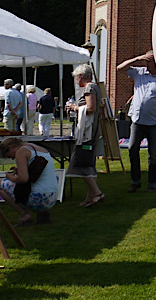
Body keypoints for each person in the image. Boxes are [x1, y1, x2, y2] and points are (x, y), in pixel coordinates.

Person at [118, 51, 156, 192]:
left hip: (154, 123)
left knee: (153, 154)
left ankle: (152, 184)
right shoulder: (140, 73)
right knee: (132, 150)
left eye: (149, 61)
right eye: (146, 61)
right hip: (137, 120)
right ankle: (135, 181)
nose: (146, 64)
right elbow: (119, 68)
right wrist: (137, 58)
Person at [66, 64, 105, 207]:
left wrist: (74, 108)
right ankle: (90, 198)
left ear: (80, 76)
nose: (76, 81)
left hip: (88, 133)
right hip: (91, 131)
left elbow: (90, 108)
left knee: (81, 163)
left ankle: (97, 193)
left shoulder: (89, 88)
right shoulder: (94, 87)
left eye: (76, 77)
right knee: (88, 164)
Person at [0, 136, 59, 226]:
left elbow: (23, 179)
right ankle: (43, 214)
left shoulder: (21, 152)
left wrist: (9, 177)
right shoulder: (38, 148)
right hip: (52, 198)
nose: (13, 159)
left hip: (39, 199)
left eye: (10, 156)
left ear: (10, 147)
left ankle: (24, 215)